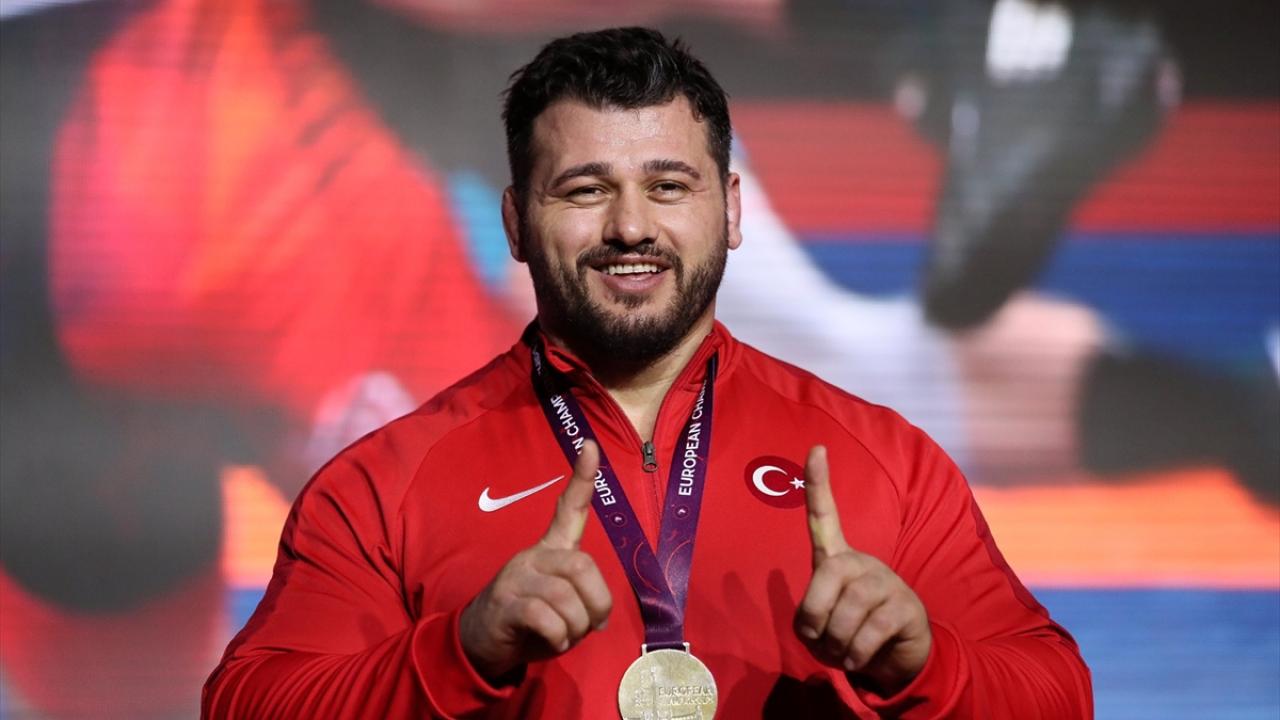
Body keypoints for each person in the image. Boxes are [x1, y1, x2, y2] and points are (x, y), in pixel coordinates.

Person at [203, 27, 1091, 718]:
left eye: (669, 186)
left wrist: (928, 665)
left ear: (730, 210)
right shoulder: (383, 484)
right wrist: (459, 651)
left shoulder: (883, 459)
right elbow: (246, 706)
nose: (631, 226)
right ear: (515, 223)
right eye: (585, 190)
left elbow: (1057, 697)